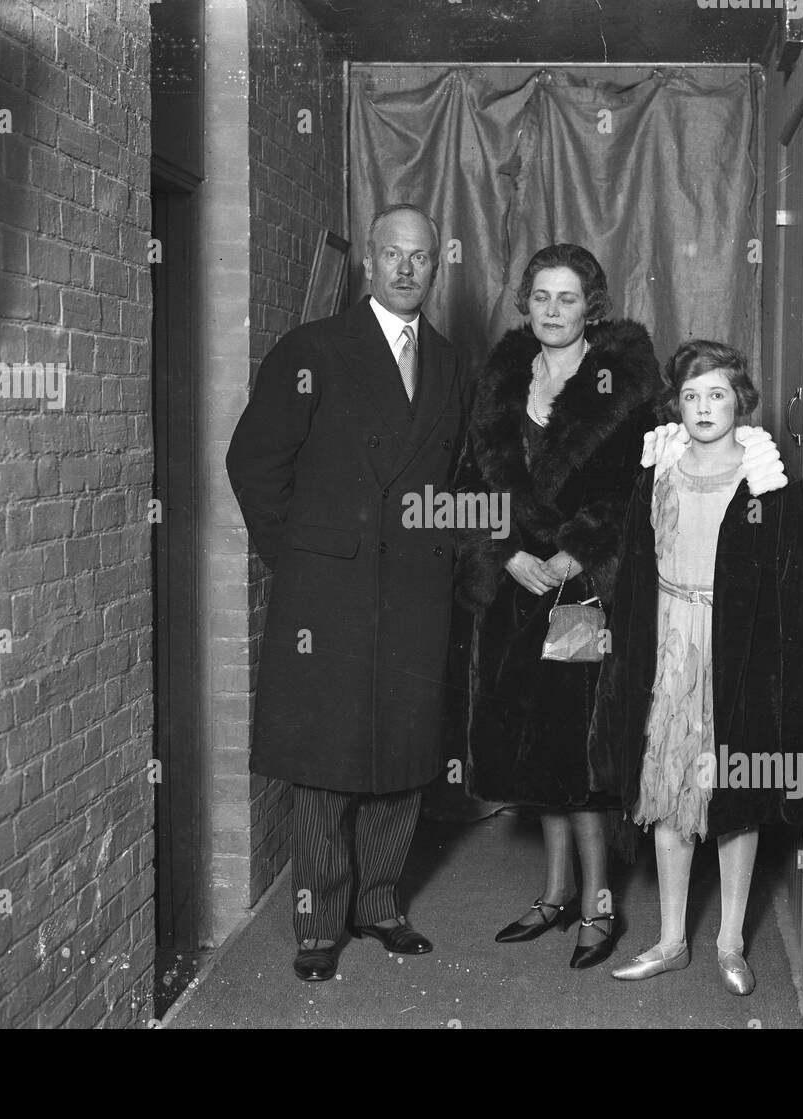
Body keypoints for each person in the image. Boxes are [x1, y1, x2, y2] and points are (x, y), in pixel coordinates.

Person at [227, 203, 472, 981]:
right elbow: (253, 464)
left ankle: (380, 904)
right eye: (393, 254)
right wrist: (299, 557)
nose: (406, 268)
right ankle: (317, 923)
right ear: (369, 260)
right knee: (326, 763)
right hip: (326, 597)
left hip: (415, 594)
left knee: (403, 754)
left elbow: (459, 478)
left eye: (422, 257)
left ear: (439, 266)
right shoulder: (312, 350)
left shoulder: (454, 363)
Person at [453, 244, 660, 970]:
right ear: (526, 304)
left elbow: (641, 487)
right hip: (515, 591)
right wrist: (506, 552)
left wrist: (578, 551)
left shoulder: (624, 382)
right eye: (540, 296)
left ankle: (600, 903)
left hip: (580, 591)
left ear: (591, 305)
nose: (551, 310)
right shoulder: (502, 378)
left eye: (566, 298)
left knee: (579, 746)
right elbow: (466, 481)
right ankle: (554, 892)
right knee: (531, 742)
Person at [589, 340, 803, 995]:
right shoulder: (659, 468)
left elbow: (784, 591)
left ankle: (732, 941)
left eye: (716, 393)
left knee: (732, 797)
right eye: (690, 395)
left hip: (735, 653)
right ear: (675, 403)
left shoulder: (765, 478)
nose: (703, 406)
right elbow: (633, 564)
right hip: (668, 644)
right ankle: (670, 939)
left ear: (739, 398)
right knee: (667, 793)